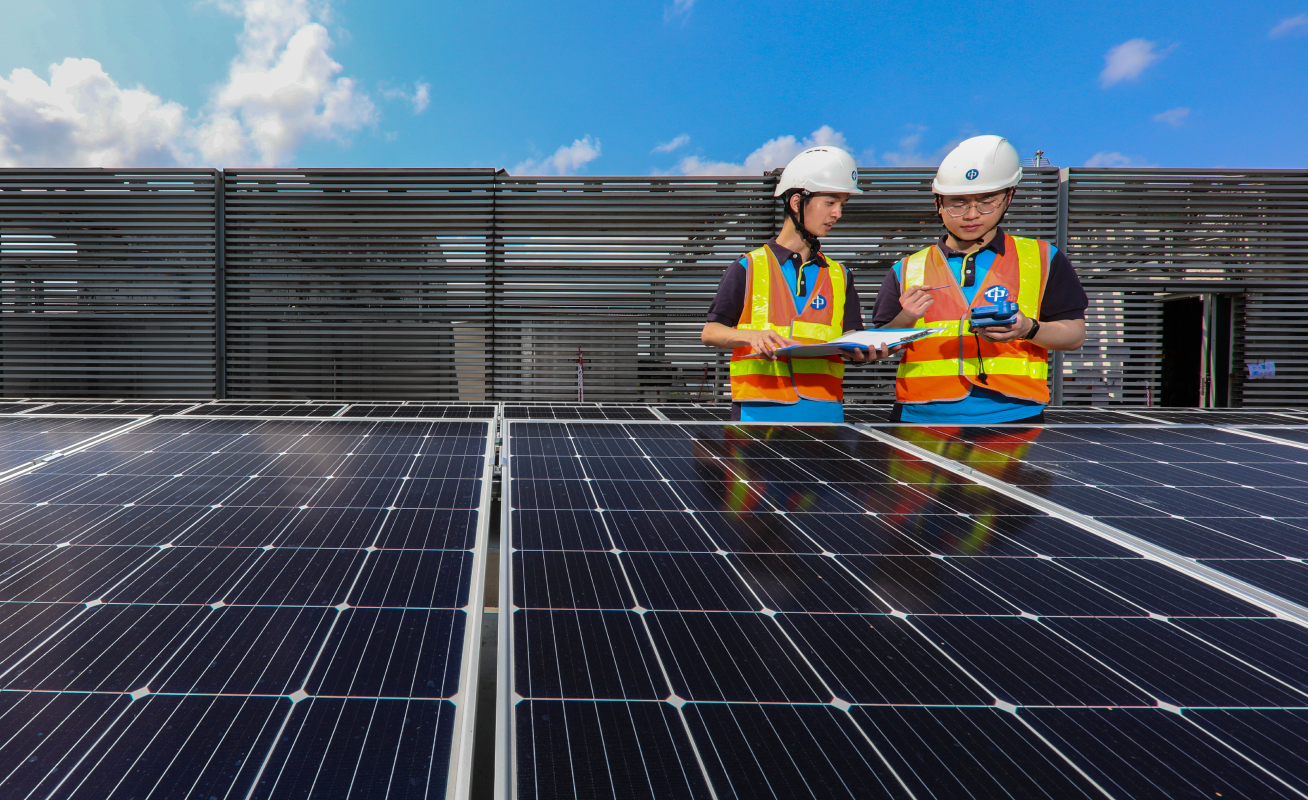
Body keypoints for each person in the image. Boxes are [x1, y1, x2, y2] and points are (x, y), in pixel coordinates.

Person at [871, 135, 1088, 424]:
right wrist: (904, 320)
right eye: (957, 204)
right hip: (920, 417)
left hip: (1014, 417)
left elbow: (1074, 335)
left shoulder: (1042, 258)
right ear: (938, 203)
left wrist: (1029, 329)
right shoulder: (906, 268)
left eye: (987, 202)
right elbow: (878, 344)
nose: (972, 215)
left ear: (1008, 198)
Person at [701, 146, 891, 423]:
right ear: (796, 202)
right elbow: (710, 332)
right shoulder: (748, 267)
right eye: (830, 202)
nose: (837, 213)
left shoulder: (840, 275)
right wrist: (751, 336)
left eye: (843, 205)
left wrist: (866, 352)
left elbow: (851, 340)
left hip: (825, 416)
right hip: (758, 416)